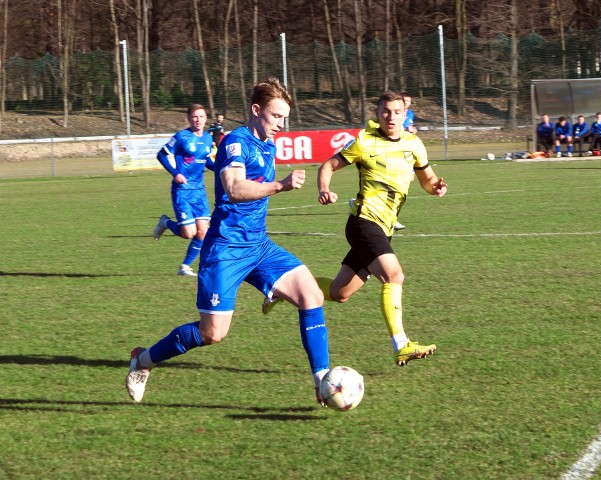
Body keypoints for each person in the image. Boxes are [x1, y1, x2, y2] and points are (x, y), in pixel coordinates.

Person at [126, 77, 331, 406]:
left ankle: (322, 380)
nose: (281, 124)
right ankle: (142, 361)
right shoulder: (236, 143)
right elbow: (235, 189)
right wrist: (281, 186)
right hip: (225, 249)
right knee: (213, 334)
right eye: (276, 116)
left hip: (259, 246)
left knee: (312, 294)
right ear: (256, 110)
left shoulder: (268, 144)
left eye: (284, 118)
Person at [316, 90, 447, 366]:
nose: (391, 116)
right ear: (378, 113)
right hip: (364, 223)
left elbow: (426, 178)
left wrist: (435, 187)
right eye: (385, 111)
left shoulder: (414, 144)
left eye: (396, 112)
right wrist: (324, 189)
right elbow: (328, 165)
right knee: (394, 276)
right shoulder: (364, 142)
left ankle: (283, 289)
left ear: (404, 114)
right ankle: (401, 344)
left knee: (341, 293)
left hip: (383, 228)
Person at [153, 104, 216, 276]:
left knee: (203, 232)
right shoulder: (181, 137)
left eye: (201, 116)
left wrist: (220, 168)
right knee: (189, 233)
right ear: (189, 119)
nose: (198, 120)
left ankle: (185, 267)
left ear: (206, 118)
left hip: (199, 191)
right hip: (182, 190)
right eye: (195, 117)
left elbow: (207, 161)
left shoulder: (209, 139)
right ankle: (165, 222)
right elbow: (161, 154)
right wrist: (175, 173)